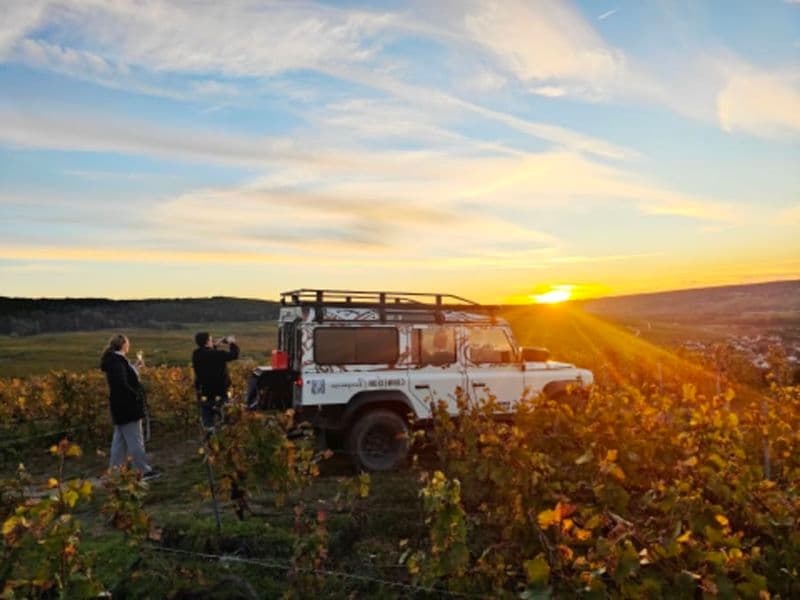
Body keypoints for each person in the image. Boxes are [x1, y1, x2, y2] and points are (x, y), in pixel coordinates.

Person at [100, 334, 160, 481]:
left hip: (119, 406)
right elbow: (122, 383)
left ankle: (115, 472)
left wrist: (134, 367)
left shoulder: (114, 360)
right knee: (135, 439)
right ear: (123, 345)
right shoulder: (118, 361)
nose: (129, 346)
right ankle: (142, 471)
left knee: (119, 441)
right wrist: (136, 395)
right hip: (127, 406)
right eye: (128, 343)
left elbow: (123, 377)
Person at [192, 332, 240, 429]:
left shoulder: (196, 354)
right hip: (220, 393)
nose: (212, 341)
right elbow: (234, 355)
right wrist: (232, 343)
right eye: (211, 340)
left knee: (208, 422)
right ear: (207, 342)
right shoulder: (218, 354)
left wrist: (214, 345)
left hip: (204, 393)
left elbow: (206, 352)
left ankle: (210, 439)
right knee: (225, 419)